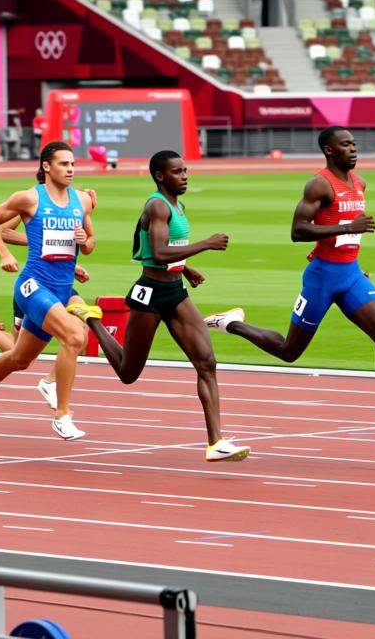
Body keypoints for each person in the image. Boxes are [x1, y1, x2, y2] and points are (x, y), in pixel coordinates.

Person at [203, 127, 375, 443]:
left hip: (350, 274)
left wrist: (355, 261)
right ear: (329, 150)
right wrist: (348, 225)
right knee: (289, 351)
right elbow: (298, 231)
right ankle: (230, 324)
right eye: (345, 145)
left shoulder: (360, 182)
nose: (353, 149)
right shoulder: (319, 185)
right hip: (322, 278)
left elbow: (348, 238)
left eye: (354, 143)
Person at [71, 151, 250, 462]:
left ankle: (216, 442)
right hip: (149, 293)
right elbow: (158, 250)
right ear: (160, 176)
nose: (185, 176)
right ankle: (93, 319)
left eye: (185, 170)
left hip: (175, 291)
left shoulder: (178, 205)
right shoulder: (157, 205)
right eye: (177, 172)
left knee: (206, 362)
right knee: (128, 372)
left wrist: (185, 268)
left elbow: (170, 251)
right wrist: (205, 244)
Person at [0, 141, 95, 440]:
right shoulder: (27, 198)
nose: (71, 169)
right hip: (32, 284)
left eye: (73, 164)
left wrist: (83, 241)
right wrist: (4, 255)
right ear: (47, 167)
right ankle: (63, 415)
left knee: (20, 359)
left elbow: (89, 243)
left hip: (62, 287)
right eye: (64, 164)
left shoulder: (83, 201)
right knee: (76, 335)